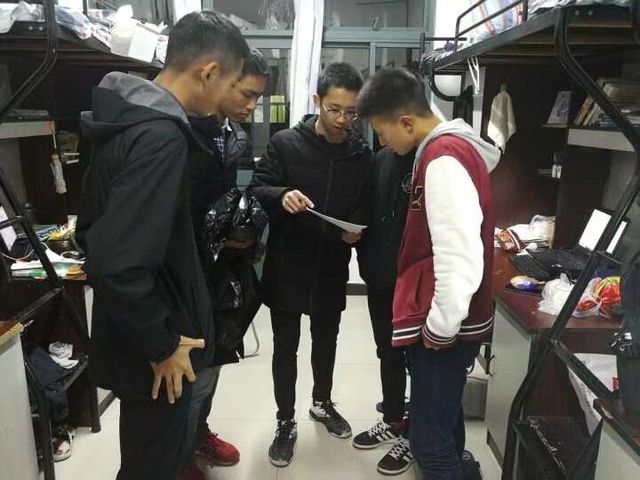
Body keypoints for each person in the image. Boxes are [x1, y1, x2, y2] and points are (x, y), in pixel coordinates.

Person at [76, 11, 249, 480]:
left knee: (145, 460)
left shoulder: (125, 119)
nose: (227, 96)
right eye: (230, 83)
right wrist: (163, 343)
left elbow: (90, 231)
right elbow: (117, 261)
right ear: (209, 72)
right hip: (156, 350)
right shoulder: (160, 137)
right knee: (152, 466)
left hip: (134, 335)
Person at [356, 68, 499, 480]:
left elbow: (459, 253)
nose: (383, 143)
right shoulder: (452, 148)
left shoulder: (442, 158)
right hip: (452, 321)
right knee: (445, 421)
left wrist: (440, 326)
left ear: (406, 121)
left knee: (429, 445)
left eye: (382, 133)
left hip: (446, 328)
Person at [249, 62, 374, 467]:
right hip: (288, 262)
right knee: (285, 347)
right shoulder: (286, 143)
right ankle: (285, 421)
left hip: (332, 264)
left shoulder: (361, 154)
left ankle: (322, 402)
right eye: (334, 109)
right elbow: (258, 188)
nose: (342, 120)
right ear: (317, 100)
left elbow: (365, 204)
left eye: (351, 112)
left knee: (326, 340)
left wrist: (357, 229)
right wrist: (282, 194)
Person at [185, 48, 270, 473]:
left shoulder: (235, 136)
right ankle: (178, 451)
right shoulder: (179, 133)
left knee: (216, 359)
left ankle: (198, 433)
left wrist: (246, 226)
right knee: (189, 371)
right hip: (187, 270)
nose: (251, 106)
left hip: (225, 270)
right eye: (247, 94)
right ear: (220, 78)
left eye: (258, 98)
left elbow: (239, 192)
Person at [354, 146, 416, 476]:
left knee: (419, 361)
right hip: (379, 276)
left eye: (383, 127)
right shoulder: (381, 160)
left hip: (414, 282)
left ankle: (416, 434)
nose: (380, 136)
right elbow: (371, 211)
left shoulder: (431, 158)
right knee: (387, 351)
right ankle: (393, 418)